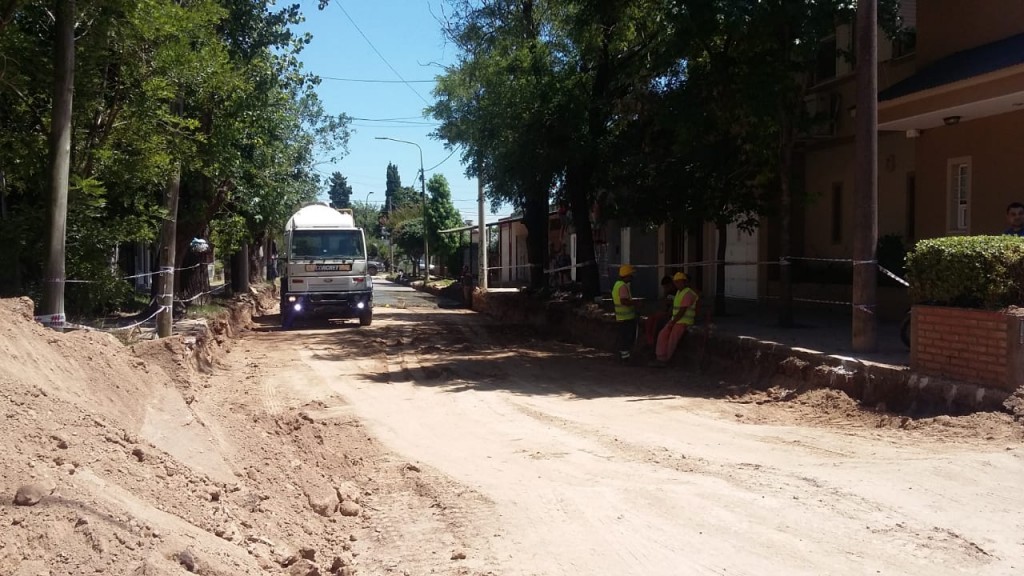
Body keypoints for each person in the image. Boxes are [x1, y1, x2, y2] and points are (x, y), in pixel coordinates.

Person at [651, 272, 699, 367]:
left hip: (684, 321)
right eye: (676, 282)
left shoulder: (688, 293)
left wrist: (673, 322)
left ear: (684, 282)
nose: (677, 284)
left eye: (679, 282)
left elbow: (682, 311)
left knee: (672, 338)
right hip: (677, 320)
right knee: (662, 334)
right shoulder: (678, 292)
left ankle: (667, 359)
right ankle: (660, 357)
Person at [612, 264, 638, 362]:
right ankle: (625, 357)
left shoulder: (617, 284)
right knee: (627, 338)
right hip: (626, 317)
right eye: (631, 275)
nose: (632, 278)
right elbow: (624, 301)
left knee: (623, 337)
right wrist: (636, 303)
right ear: (627, 275)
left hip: (621, 317)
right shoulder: (623, 286)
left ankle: (622, 356)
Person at [644, 275, 677, 346]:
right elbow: (665, 304)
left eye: (666, 287)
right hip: (666, 311)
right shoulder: (668, 293)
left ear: (671, 284)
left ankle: (654, 339)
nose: (665, 289)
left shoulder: (677, 292)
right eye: (664, 287)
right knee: (649, 318)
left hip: (672, 313)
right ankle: (649, 338)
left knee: (657, 320)